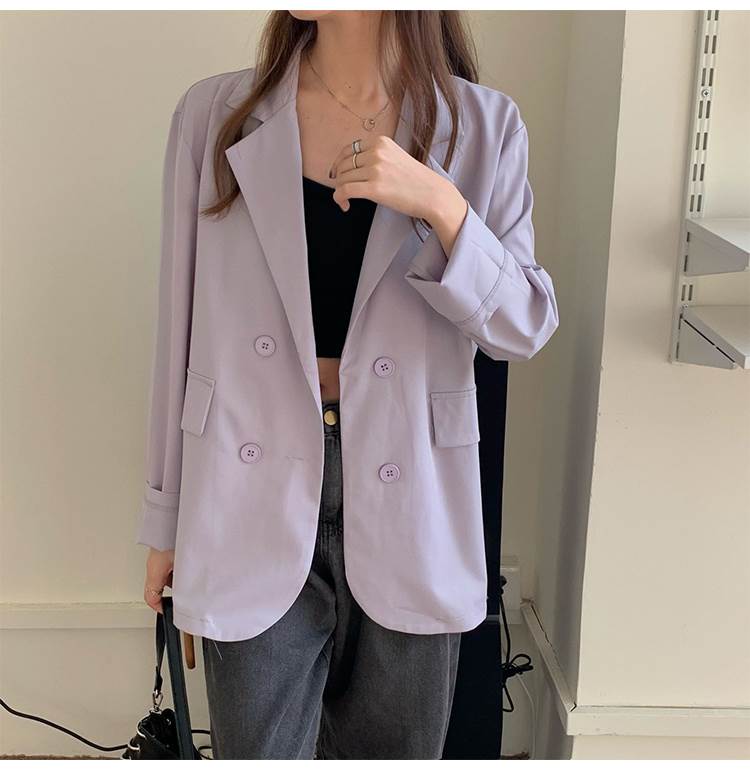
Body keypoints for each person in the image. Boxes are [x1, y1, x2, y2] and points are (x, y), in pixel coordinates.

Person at [137, 9, 559, 760]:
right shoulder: (213, 116)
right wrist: (165, 519)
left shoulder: (484, 127)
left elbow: (523, 324)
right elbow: (179, 324)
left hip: (412, 492)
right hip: (243, 486)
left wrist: (441, 205)